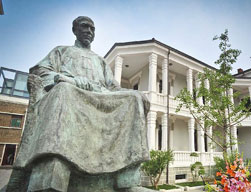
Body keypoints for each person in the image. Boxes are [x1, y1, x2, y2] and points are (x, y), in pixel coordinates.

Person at [6, 16, 152, 192]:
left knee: (134, 99)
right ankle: (50, 180)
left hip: (99, 98)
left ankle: (126, 181)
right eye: (85, 27)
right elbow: (40, 72)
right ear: (75, 30)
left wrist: (133, 93)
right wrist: (70, 80)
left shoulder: (100, 61)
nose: (89, 31)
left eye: (92, 29)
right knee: (64, 91)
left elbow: (113, 87)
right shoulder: (61, 51)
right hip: (71, 93)